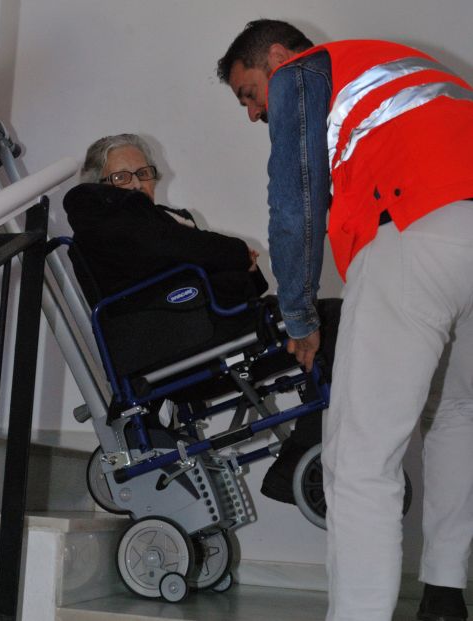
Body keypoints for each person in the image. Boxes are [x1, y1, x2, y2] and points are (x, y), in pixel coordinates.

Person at [217, 19, 473, 621]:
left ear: (277, 57)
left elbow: (296, 201)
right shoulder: (408, 65)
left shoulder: (302, 74)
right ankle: (442, 594)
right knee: (461, 414)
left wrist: (300, 316)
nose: (254, 113)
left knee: (359, 463)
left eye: (249, 93)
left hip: (417, 233)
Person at [64, 133, 335, 504]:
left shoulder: (150, 223)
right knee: (330, 320)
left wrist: (233, 261)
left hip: (198, 333)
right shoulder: (110, 216)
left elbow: (230, 279)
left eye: (144, 173)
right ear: (100, 184)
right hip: (179, 347)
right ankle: (303, 462)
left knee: (326, 320)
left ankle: (309, 456)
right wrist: (236, 253)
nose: (138, 184)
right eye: (122, 177)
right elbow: (188, 256)